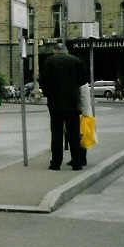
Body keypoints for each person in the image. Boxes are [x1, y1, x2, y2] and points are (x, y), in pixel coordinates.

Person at [39, 42, 88, 171]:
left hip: (55, 103)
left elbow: (42, 81)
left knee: (56, 133)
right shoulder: (76, 61)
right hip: (72, 103)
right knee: (74, 133)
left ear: (55, 50)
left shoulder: (49, 62)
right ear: (66, 51)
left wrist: (48, 94)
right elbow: (83, 80)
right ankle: (76, 163)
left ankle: (56, 163)